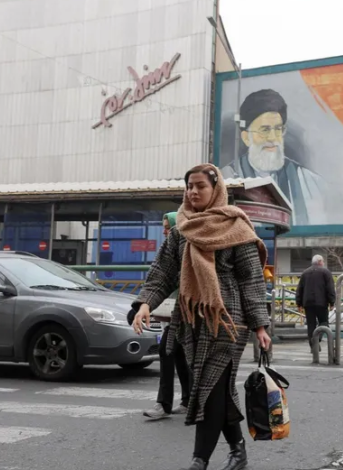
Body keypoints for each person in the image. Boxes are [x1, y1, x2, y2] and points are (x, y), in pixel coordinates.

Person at [131, 163, 272, 470]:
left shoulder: (236, 226)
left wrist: (260, 325)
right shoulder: (180, 230)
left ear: (216, 189)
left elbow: (251, 279)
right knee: (215, 388)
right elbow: (162, 273)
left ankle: (199, 461)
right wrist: (145, 304)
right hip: (191, 320)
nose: (193, 191)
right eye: (189, 186)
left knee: (209, 387)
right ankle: (238, 451)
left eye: (200, 186)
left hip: (228, 320)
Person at [220, 88, 326, 226]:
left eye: (278, 129)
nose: (272, 138)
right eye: (265, 130)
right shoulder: (225, 178)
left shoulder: (309, 181)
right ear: (246, 137)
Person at [142, 212, 192, 420]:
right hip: (179, 313)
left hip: (193, 312)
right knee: (173, 351)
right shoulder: (171, 248)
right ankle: (182, 401)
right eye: (164, 227)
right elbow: (160, 278)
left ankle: (175, 403)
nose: (165, 231)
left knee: (171, 351)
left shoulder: (188, 244)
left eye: (168, 227)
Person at [296, 254, 336, 348]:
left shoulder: (305, 273)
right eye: (323, 261)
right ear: (320, 262)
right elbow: (330, 288)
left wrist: (299, 303)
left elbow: (300, 289)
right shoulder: (326, 272)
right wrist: (332, 302)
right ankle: (316, 339)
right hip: (321, 303)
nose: (323, 263)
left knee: (311, 325)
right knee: (324, 322)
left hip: (308, 303)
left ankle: (313, 345)